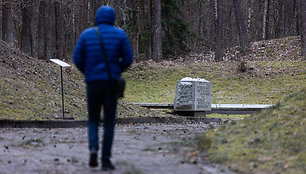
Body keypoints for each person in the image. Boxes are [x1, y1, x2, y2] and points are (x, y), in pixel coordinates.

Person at [73, 6, 133, 171]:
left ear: (97, 18)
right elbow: (128, 58)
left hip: (93, 83)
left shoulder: (86, 35)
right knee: (108, 122)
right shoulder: (120, 34)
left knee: (92, 118)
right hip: (111, 83)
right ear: (113, 18)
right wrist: (116, 71)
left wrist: (88, 72)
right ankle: (105, 160)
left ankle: (93, 148)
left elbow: (77, 58)